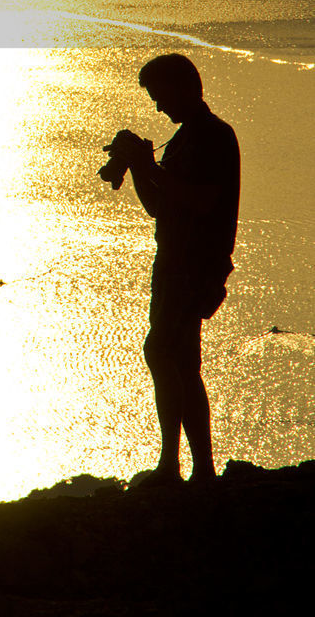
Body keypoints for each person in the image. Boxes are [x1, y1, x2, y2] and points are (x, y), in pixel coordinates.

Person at [101, 53, 239, 486]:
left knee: (159, 352)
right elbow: (159, 206)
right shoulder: (182, 140)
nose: (158, 107)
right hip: (174, 262)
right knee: (182, 361)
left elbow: (202, 201)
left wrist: (148, 166)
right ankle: (201, 470)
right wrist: (142, 167)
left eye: (159, 96)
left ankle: (171, 466)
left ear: (183, 87)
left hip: (193, 265)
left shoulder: (214, 136)